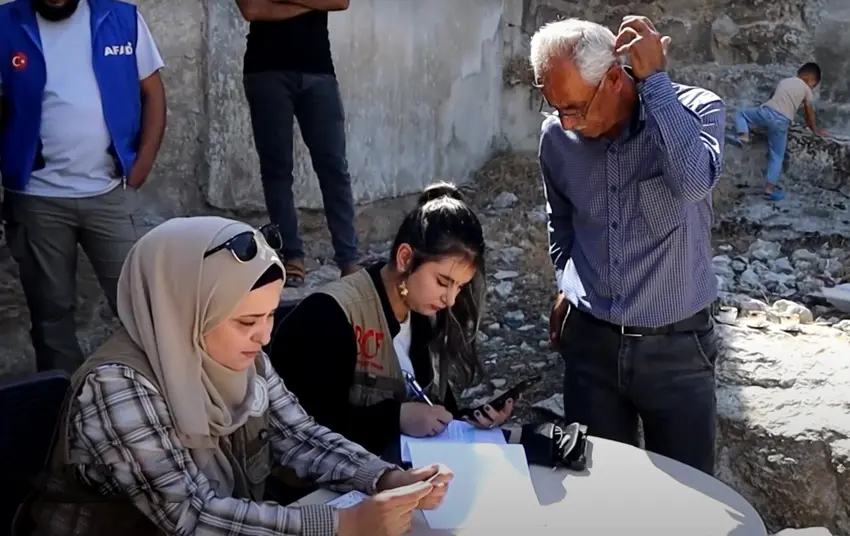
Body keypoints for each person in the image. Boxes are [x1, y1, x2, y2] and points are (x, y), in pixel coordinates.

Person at [14, 216, 452, 536]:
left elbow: (299, 435)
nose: (264, 337)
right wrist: (344, 524)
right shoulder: (116, 386)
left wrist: (383, 477)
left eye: (267, 317)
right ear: (186, 312)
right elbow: (191, 518)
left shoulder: (241, 356)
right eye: (246, 322)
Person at [530, 17, 723, 475]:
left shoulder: (695, 111)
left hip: (676, 352)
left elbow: (694, 182)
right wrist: (567, 281)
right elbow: (562, 221)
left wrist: (655, 82)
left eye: (575, 107)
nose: (566, 121)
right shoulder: (557, 139)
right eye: (555, 107)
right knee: (596, 493)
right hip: (591, 347)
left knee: (688, 503)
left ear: (615, 79)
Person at [270, 183, 515, 458]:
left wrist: (470, 422)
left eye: (459, 287)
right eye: (443, 282)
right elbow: (306, 429)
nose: (450, 299)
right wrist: (395, 418)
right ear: (405, 258)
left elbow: (433, 410)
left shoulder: (424, 314)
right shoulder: (331, 316)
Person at [0, 0, 167, 374]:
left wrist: (141, 166)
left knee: (140, 306)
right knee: (51, 312)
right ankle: (65, 409)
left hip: (110, 193)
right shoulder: (4, 24)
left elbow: (153, 93)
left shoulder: (121, 18)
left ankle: (150, 398)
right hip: (37, 197)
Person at [235, 0, 361, 288]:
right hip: (265, 71)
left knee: (333, 167)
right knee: (277, 169)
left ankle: (349, 259)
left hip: (318, 70)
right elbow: (252, 9)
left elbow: (340, 1)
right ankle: (291, 255)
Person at [733, 62, 825, 201]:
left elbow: (772, 97)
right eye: (814, 84)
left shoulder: (785, 81)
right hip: (781, 122)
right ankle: (769, 189)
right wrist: (814, 129)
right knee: (777, 156)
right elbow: (809, 114)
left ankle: (744, 135)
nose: (812, 87)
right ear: (810, 79)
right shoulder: (807, 90)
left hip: (766, 112)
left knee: (741, 113)